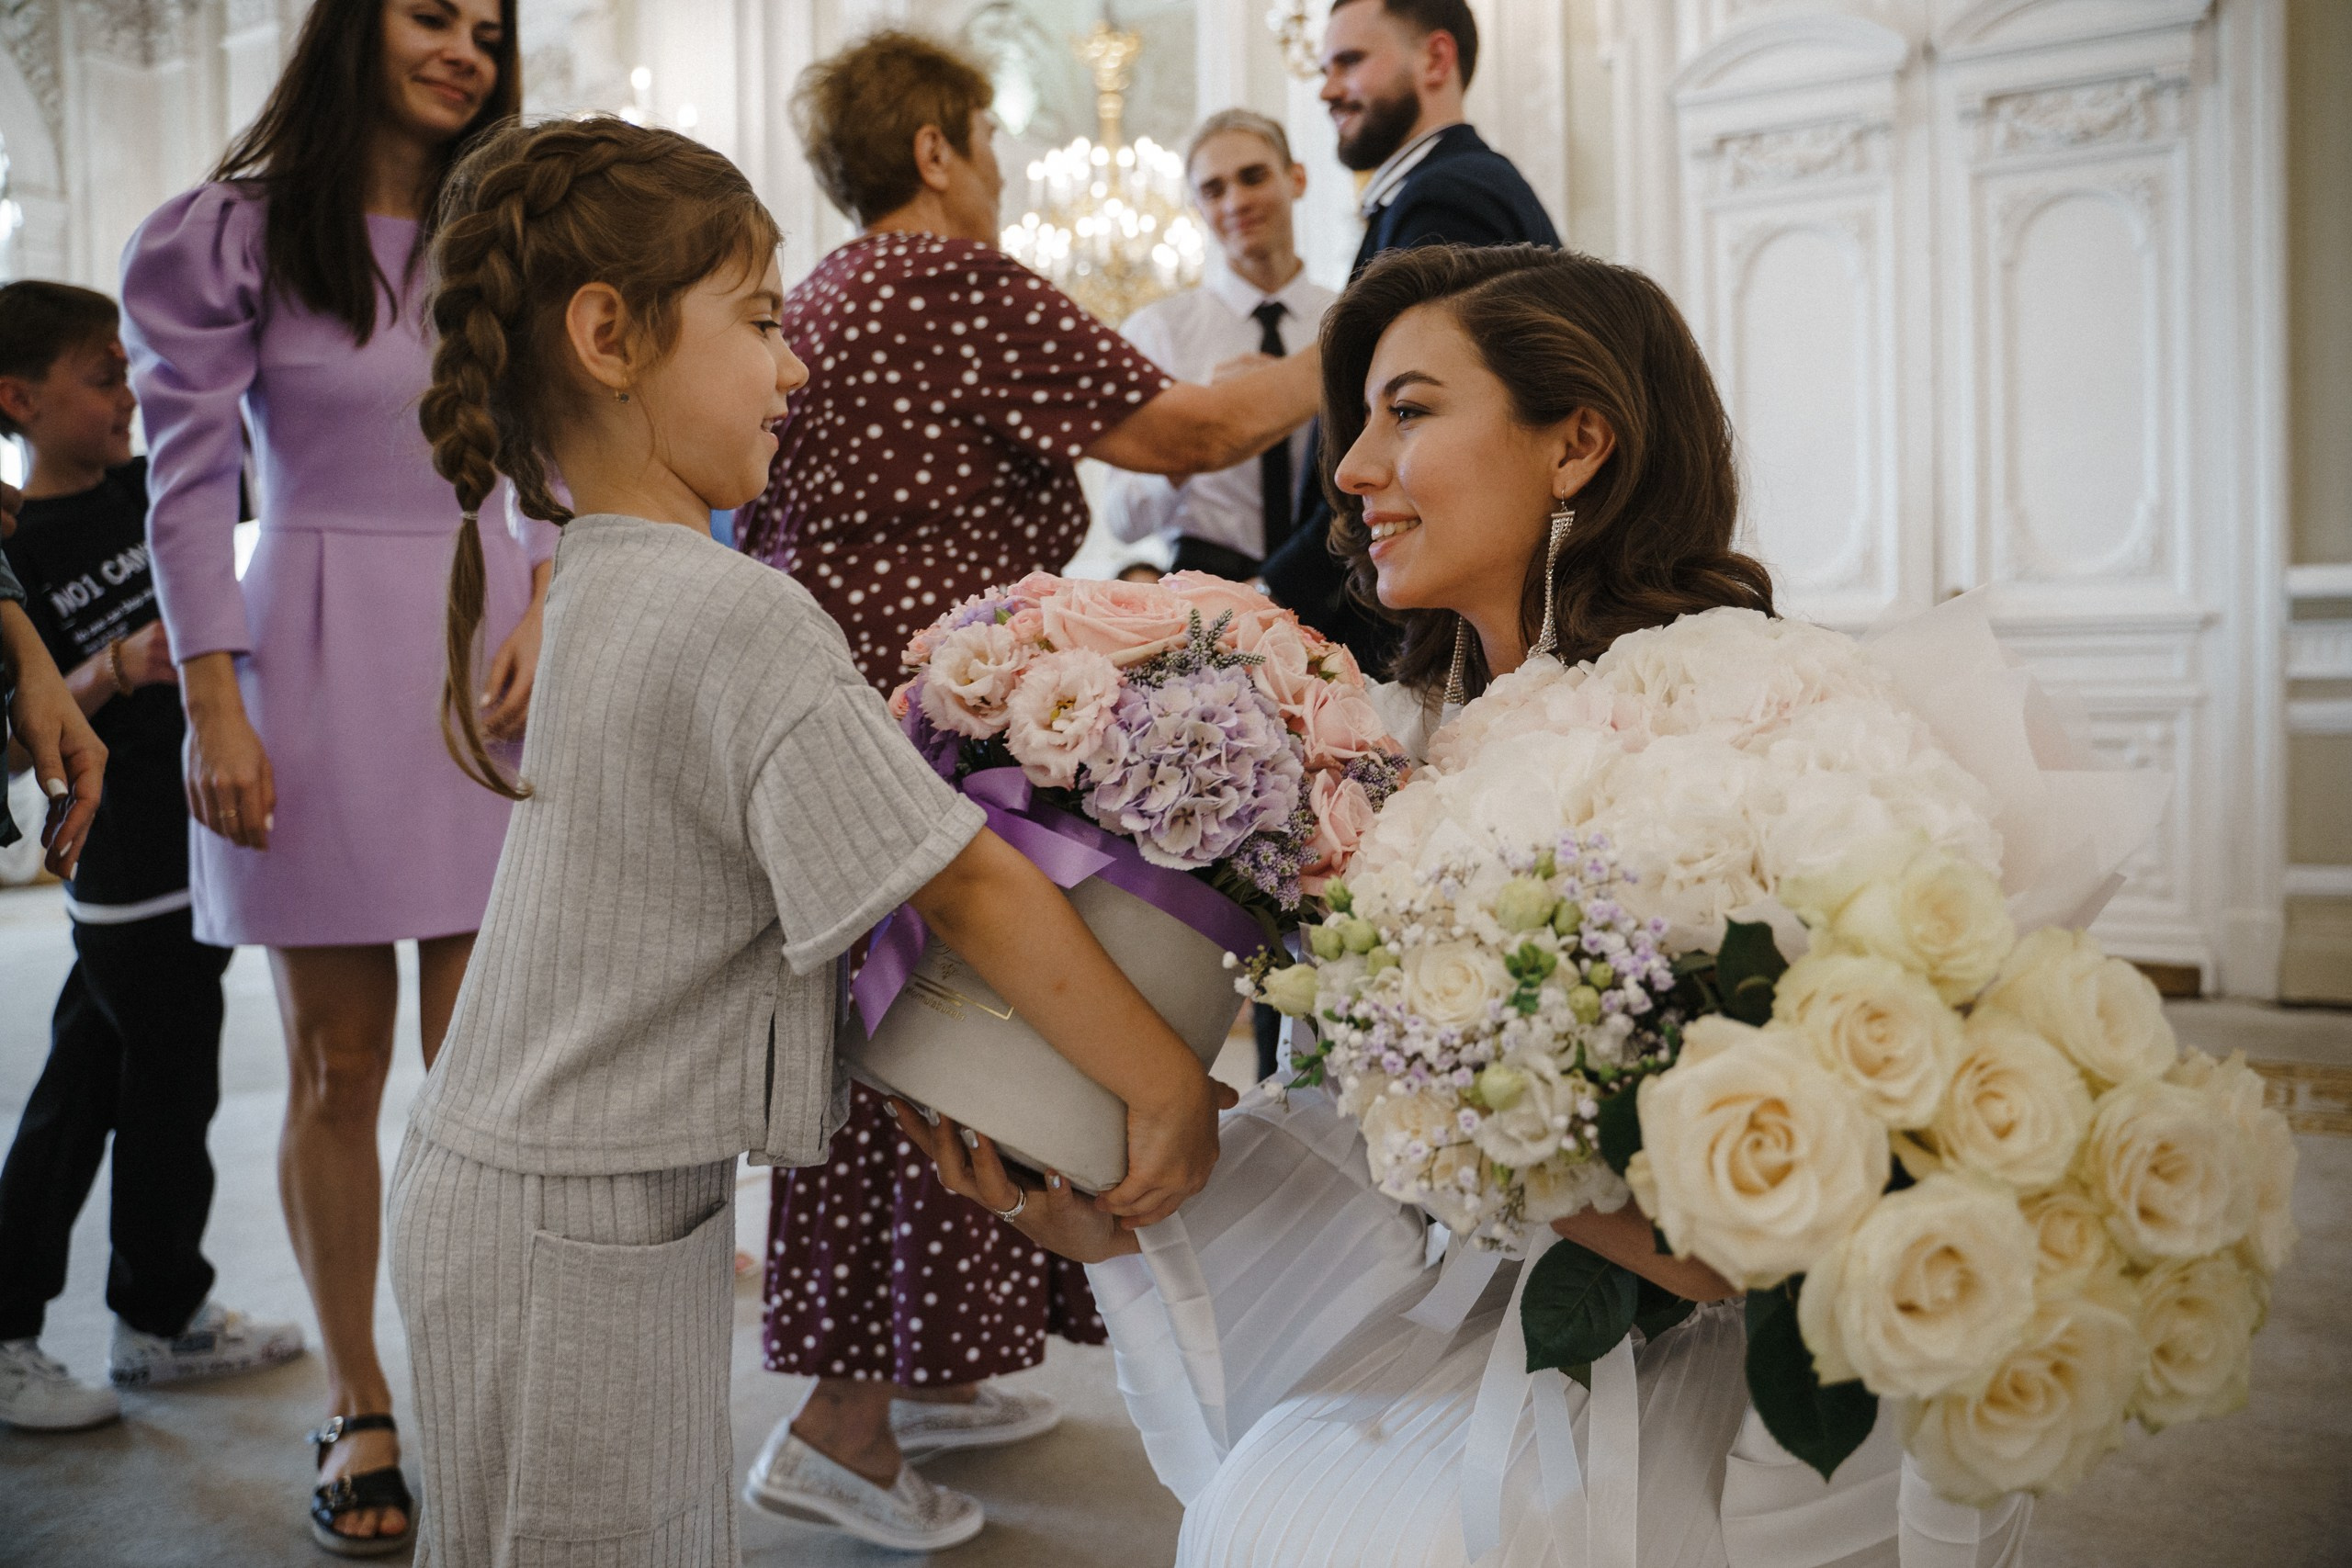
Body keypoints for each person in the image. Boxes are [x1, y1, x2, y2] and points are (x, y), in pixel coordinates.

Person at [900, 245, 2042, 1568]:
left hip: (1707, 1368)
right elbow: (1363, 1152)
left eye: (1412, 410)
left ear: (1578, 444)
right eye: (1362, 417)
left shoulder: (1763, 721)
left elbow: (1767, 1227)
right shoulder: (1384, 753)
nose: (1350, 468)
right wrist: (1132, 1207)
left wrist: (1515, 1146)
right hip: (1482, 1319)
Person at [385, 114, 1226, 1565]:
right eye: (763, 321)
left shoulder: (603, 571)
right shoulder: (737, 609)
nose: (798, 364)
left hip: (528, 1188)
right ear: (609, 334)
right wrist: (1165, 1083)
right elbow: (963, 876)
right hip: (566, 1223)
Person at [730, 29, 1324, 1544]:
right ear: (934, 148)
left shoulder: (826, 293)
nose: (995, 174)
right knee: (943, 1039)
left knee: (907, 1028)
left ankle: (910, 1375)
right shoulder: (950, 281)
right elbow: (1192, 433)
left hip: (838, 697)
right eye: (984, 141)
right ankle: (838, 1429)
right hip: (925, 717)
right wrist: (1369, 325)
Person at [118, 0, 528, 1551]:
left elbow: (552, 438)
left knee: (487, 1074)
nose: (467, 51)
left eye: (489, 30)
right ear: (351, 27)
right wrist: (213, 702)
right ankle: (358, 1393)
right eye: (434, 15)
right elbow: (184, 481)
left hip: (490, 658)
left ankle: (482, 1373)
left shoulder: (511, 225)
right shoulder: (228, 238)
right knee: (341, 1065)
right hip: (313, 645)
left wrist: (547, 598)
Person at [0, 281, 302, 1435]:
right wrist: (118, 666)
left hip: (197, 838)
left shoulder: (150, 490)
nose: (126, 397)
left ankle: (138, 1313)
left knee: (97, 1079)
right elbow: (21, 727)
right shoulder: (21, 549)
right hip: (121, 857)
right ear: (19, 400)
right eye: (100, 379)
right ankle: (150, 1318)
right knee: (152, 1088)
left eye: (128, 372)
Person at [1261, 0, 1558, 671]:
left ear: (1436, 59)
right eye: (1324, 67)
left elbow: (1413, 443)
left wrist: (1273, 595)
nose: (1328, 88)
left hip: (1423, 631)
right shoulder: (1434, 191)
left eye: (1351, 61)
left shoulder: (1445, 200)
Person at [1101, 109, 1336, 585]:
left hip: (1334, 582)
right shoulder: (1157, 332)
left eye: (1253, 177)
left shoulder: (1344, 321)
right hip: (1205, 594)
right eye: (1213, 189)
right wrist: (1193, 429)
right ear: (1197, 206)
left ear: (1297, 179)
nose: (1236, 201)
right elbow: (1123, 520)